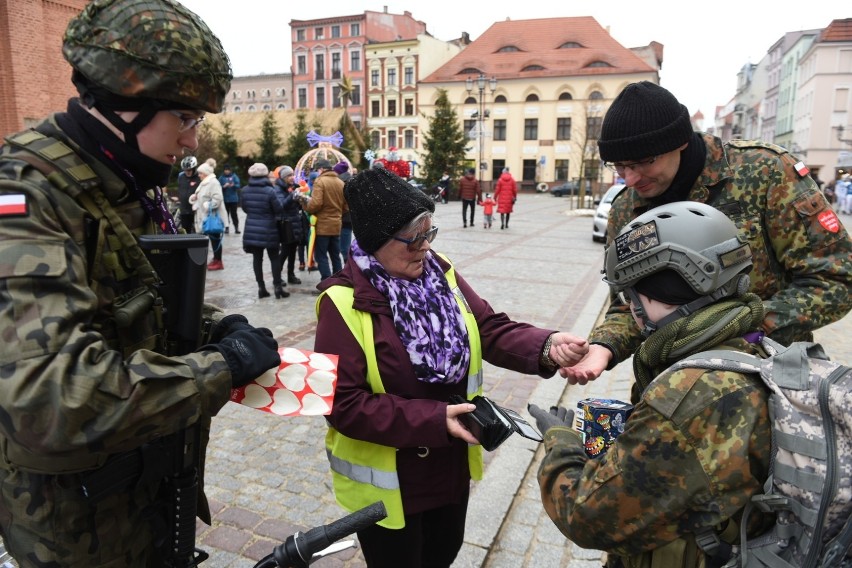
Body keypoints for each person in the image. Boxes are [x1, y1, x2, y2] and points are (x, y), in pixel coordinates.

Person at [0, 1, 283, 565]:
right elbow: (47, 396)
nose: (193, 140)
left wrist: (214, 326)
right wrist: (219, 368)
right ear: (128, 104)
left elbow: (134, 297)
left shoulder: (123, 177)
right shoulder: (28, 193)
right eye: (186, 118)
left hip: (148, 497)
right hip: (78, 529)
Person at [314, 168, 589, 568]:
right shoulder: (341, 303)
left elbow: (488, 328)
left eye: (430, 233)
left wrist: (547, 345)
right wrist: (433, 420)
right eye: (413, 239)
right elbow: (343, 404)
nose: (425, 247)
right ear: (376, 243)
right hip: (393, 488)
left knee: (443, 556)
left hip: (450, 469)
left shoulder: (439, 272)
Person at [530, 201, 773, 568]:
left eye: (633, 294)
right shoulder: (753, 348)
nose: (630, 309)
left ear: (663, 290)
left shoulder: (688, 396)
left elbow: (590, 518)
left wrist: (560, 443)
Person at [564, 81, 852, 384]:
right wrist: (604, 346)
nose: (631, 178)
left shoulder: (766, 172)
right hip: (673, 391)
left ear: (680, 142)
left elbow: (835, 278)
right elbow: (629, 304)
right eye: (619, 166)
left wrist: (738, 325)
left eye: (643, 162)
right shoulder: (626, 210)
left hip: (768, 382)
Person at [241, 162, 288, 299]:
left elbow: (245, 208)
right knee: (274, 258)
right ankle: (278, 287)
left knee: (257, 258)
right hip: (269, 229)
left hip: (251, 228)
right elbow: (278, 209)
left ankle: (261, 288)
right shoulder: (270, 191)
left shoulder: (245, 190)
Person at [299, 159, 347, 281]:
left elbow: (316, 204)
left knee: (321, 255)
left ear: (321, 169)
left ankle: (326, 281)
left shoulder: (320, 181)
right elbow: (346, 206)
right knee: (335, 255)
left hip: (322, 226)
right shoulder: (340, 182)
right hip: (336, 224)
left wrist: (305, 205)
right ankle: (338, 280)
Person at [191, 160, 227, 270]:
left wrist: (207, 205)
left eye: (200, 173)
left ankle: (218, 261)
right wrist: (195, 198)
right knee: (212, 239)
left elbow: (217, 199)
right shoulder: (205, 182)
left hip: (212, 216)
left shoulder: (213, 182)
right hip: (205, 216)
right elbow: (203, 196)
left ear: (206, 173)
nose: (199, 175)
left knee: (215, 238)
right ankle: (216, 259)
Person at [272, 165, 304, 285]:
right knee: (285, 251)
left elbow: (296, 206)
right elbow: (281, 205)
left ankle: (291, 275)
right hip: (286, 224)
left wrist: (300, 199)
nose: (292, 177)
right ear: (284, 177)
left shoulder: (292, 187)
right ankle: (277, 277)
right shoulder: (278, 189)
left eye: (292, 175)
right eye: (289, 176)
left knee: (292, 251)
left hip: (295, 222)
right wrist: (292, 196)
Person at [334, 161, 355, 261]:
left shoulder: (344, 182)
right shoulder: (349, 180)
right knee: (344, 247)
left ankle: (349, 269)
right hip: (348, 217)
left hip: (346, 218)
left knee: (344, 248)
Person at [177, 155, 200, 232]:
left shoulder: (199, 177)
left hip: (195, 209)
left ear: (194, 169)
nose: (187, 172)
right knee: (185, 230)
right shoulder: (181, 176)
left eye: (189, 170)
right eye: (185, 170)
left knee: (196, 230)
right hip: (183, 208)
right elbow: (180, 188)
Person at [219, 163, 241, 234]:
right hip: (225, 199)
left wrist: (233, 185)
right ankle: (226, 228)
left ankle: (236, 227)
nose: (227, 171)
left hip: (233, 199)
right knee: (225, 214)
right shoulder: (221, 178)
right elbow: (218, 187)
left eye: (228, 170)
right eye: (225, 170)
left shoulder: (234, 176)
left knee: (234, 214)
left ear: (230, 170)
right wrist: (223, 186)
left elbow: (238, 185)